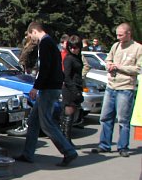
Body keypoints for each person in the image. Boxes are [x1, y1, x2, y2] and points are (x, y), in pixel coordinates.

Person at [16, 22, 78, 166]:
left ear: (34, 31)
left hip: (48, 88)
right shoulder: (51, 43)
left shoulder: (44, 43)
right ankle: (28, 154)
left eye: (30, 35)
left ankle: (69, 151)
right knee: (33, 121)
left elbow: (45, 68)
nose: (31, 38)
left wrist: (36, 87)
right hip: (52, 87)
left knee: (46, 123)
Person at [91, 23, 142, 157]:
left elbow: (138, 69)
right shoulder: (116, 46)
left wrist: (119, 67)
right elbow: (108, 60)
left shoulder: (137, 48)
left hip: (125, 88)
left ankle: (123, 147)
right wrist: (109, 65)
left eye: (121, 35)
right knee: (105, 117)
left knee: (123, 120)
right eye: (117, 35)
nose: (118, 37)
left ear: (128, 34)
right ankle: (104, 145)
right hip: (111, 87)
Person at [60, 35, 84, 144]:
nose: (73, 49)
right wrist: (75, 91)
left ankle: (66, 140)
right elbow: (66, 77)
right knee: (68, 115)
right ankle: (66, 140)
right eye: (71, 47)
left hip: (75, 87)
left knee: (71, 114)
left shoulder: (77, 57)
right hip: (70, 89)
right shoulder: (69, 58)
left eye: (75, 47)